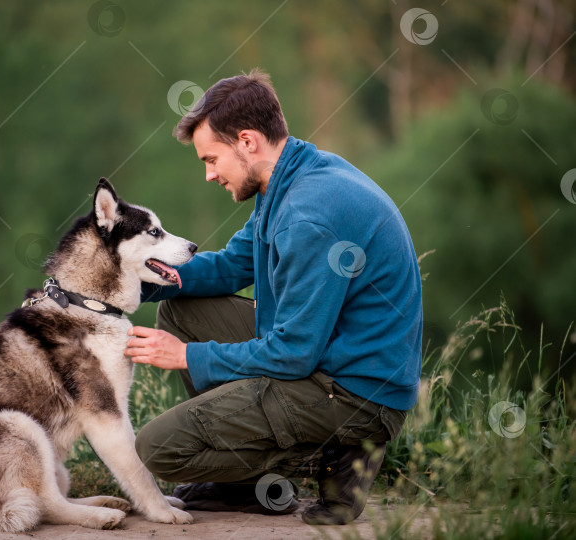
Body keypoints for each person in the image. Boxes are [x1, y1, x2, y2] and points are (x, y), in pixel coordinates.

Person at [124, 69, 422, 525]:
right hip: (327, 356)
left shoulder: (310, 215)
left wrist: (188, 356)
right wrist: (134, 279)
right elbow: (229, 267)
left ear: (247, 141)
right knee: (180, 308)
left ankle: (334, 458)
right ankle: (241, 489)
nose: (208, 175)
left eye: (211, 159)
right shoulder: (288, 178)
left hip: (355, 392)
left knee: (159, 449)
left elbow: (294, 352)